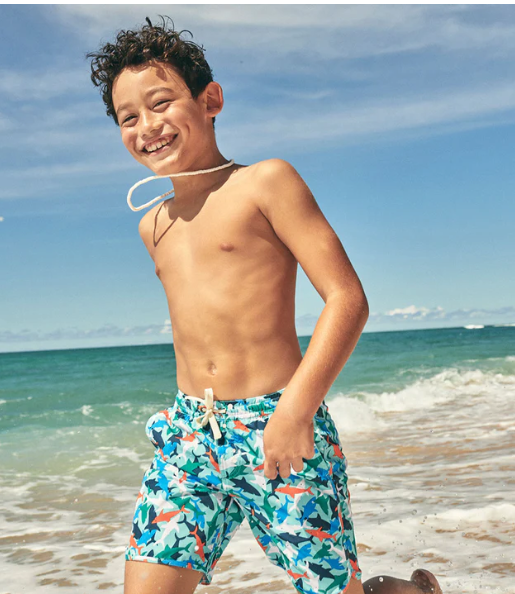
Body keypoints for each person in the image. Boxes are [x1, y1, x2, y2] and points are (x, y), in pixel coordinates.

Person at [86, 15, 443, 594]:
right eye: (129, 118)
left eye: (161, 103)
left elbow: (347, 299)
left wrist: (295, 412)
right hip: (189, 434)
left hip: (277, 423)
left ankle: (409, 590)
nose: (147, 126)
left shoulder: (264, 183)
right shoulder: (153, 224)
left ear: (210, 100)